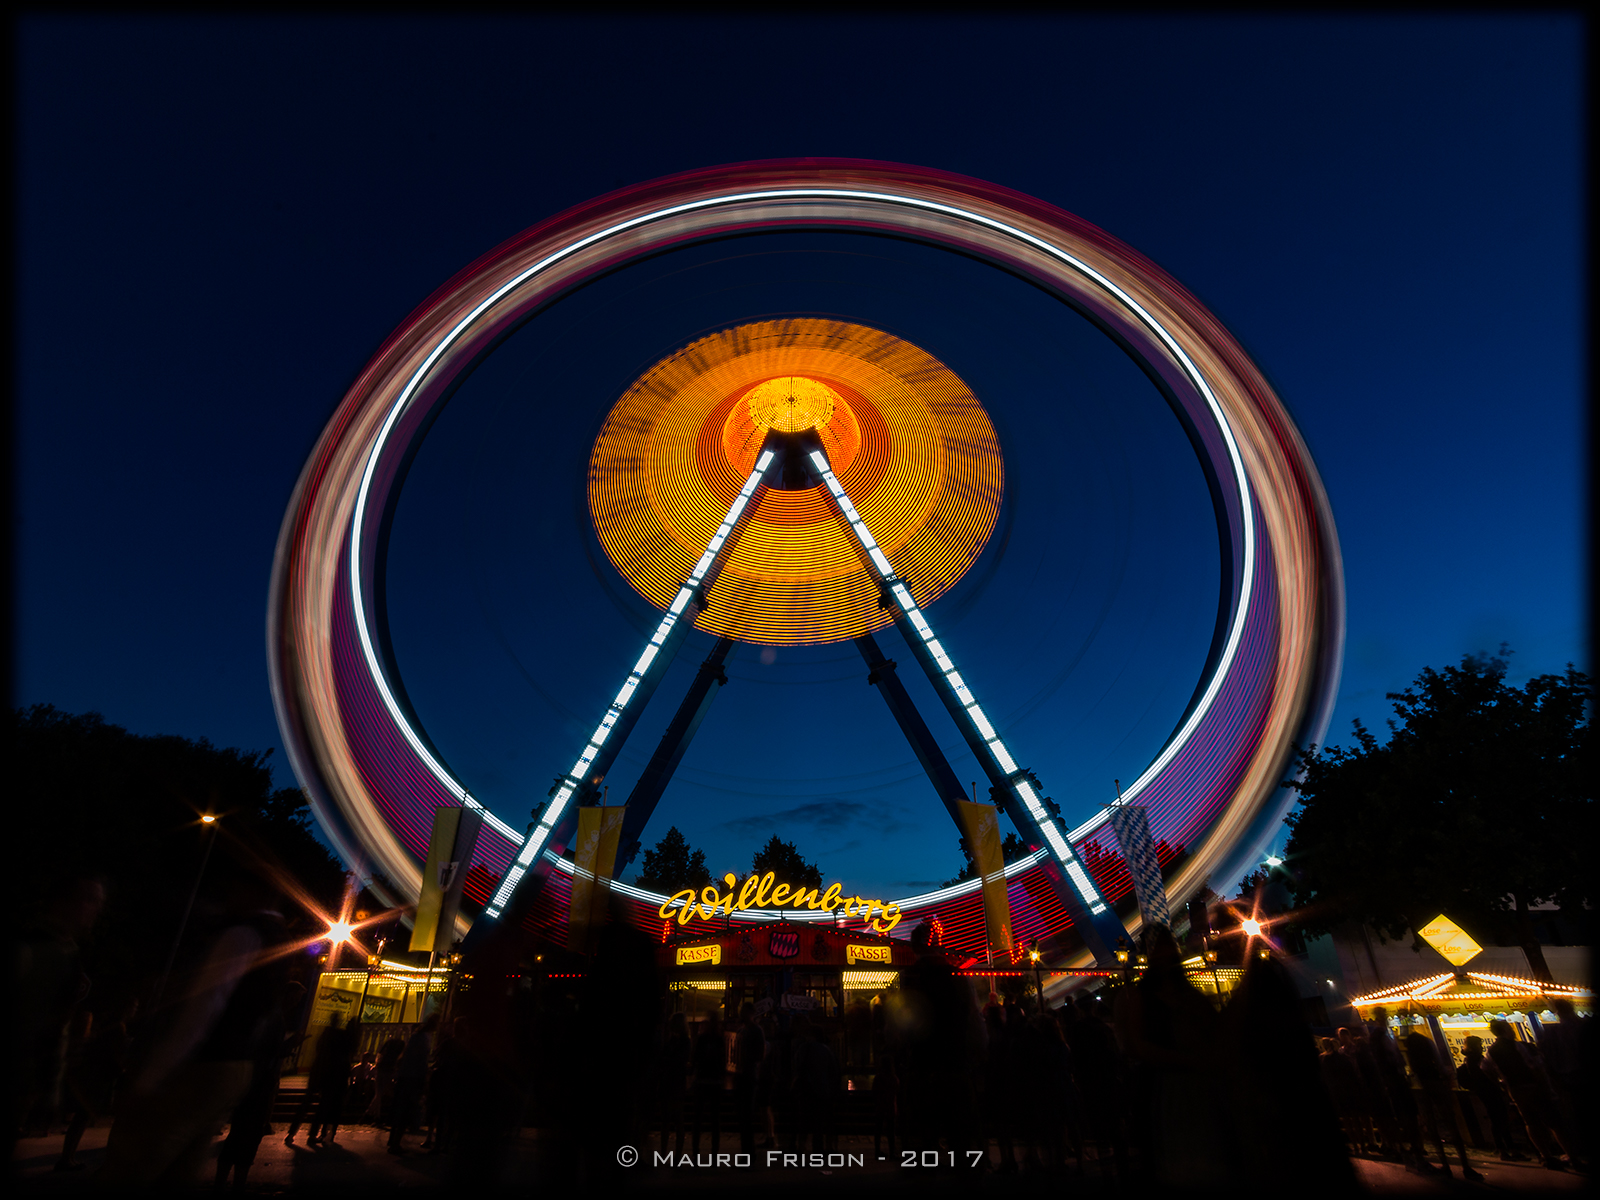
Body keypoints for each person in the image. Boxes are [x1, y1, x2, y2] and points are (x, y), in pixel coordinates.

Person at [98, 873, 289, 1187]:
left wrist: (150, 1077)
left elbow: (205, 1008)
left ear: (251, 892)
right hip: (237, 1065)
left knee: (136, 1162)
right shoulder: (278, 937)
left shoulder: (242, 934)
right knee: (184, 1164)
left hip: (203, 1063)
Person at [216, 979, 304, 1190]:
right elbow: (267, 1051)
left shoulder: (271, 1017)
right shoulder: (275, 1019)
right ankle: (236, 1183)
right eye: (294, 998)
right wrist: (288, 1046)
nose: (295, 1003)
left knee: (239, 1136)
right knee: (247, 1137)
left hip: (255, 1082)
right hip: (259, 1084)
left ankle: (225, 1183)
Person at [1485, 1019, 1574, 1170]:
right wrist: (1545, 1086)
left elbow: (1486, 1069)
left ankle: (1546, 1156)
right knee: (1553, 1121)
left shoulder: (1491, 1051)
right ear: (1506, 1029)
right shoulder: (1518, 1045)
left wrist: (1502, 1083)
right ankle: (1571, 1156)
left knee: (1531, 1122)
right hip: (1533, 1086)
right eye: (1509, 1027)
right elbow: (1535, 1066)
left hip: (1515, 1089)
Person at [1401, 1030, 1481, 1180]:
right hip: (1436, 1082)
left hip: (1421, 1086)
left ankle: (1445, 1164)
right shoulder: (1428, 1043)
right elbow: (1439, 1063)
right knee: (1451, 1123)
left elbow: (1410, 1068)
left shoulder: (1411, 1051)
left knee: (1432, 1127)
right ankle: (1465, 1165)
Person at [1456, 1035, 1525, 1162]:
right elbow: (1486, 1075)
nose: (1481, 1047)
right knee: (1499, 1120)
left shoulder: (1470, 1060)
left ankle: (1506, 1149)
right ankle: (1505, 1149)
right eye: (1479, 1045)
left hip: (1485, 1092)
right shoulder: (1475, 1060)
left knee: (1498, 1120)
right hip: (1490, 1091)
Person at [388, 1013, 438, 1154]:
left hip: (405, 1075)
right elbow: (420, 1060)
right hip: (413, 1077)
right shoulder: (424, 1039)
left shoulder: (417, 1036)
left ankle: (393, 1140)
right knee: (406, 1109)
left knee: (400, 1108)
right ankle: (396, 1142)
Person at [789, 1015, 838, 1153]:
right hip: (822, 1090)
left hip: (806, 1089)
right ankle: (819, 1148)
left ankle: (801, 1147)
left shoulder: (804, 1048)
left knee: (804, 1121)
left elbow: (797, 1067)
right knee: (819, 1123)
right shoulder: (826, 1050)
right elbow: (832, 1070)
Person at [690, 1012, 725, 1154]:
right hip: (714, 1081)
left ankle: (695, 1149)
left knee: (698, 1118)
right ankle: (714, 1151)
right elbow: (722, 1061)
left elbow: (695, 1058)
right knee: (714, 1119)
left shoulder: (703, 1039)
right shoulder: (719, 1040)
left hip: (703, 1080)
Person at [733, 1002, 765, 1153]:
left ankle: (748, 1153)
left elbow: (759, 1053)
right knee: (744, 1116)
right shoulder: (747, 1030)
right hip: (744, 1073)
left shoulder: (751, 1031)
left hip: (748, 1074)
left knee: (746, 1116)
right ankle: (746, 1152)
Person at [657, 1013, 690, 1153]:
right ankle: (673, 1152)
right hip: (674, 1082)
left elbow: (669, 1059)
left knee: (672, 1119)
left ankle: (668, 1151)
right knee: (674, 1119)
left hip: (673, 1082)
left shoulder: (677, 1042)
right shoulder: (680, 1041)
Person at [369, 1032, 405, 1126]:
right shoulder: (400, 1046)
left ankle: (375, 1115)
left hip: (382, 1069)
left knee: (379, 1093)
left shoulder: (389, 1045)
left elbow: (380, 1054)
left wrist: (378, 1064)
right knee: (383, 1092)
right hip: (389, 1069)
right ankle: (375, 1115)